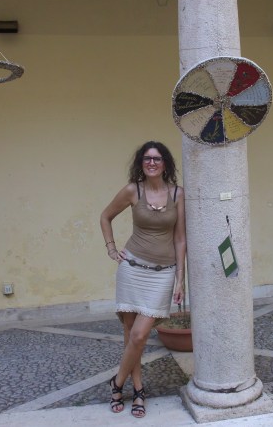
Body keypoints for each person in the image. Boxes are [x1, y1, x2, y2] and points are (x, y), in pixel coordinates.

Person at [100, 140, 186, 418]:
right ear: (141, 163)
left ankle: (117, 383)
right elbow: (105, 216)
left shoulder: (177, 194)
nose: (151, 162)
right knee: (131, 335)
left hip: (162, 274)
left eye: (157, 158)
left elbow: (180, 239)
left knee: (139, 335)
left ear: (165, 164)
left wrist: (180, 279)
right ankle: (138, 389)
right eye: (147, 158)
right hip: (132, 269)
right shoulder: (132, 191)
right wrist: (111, 248)